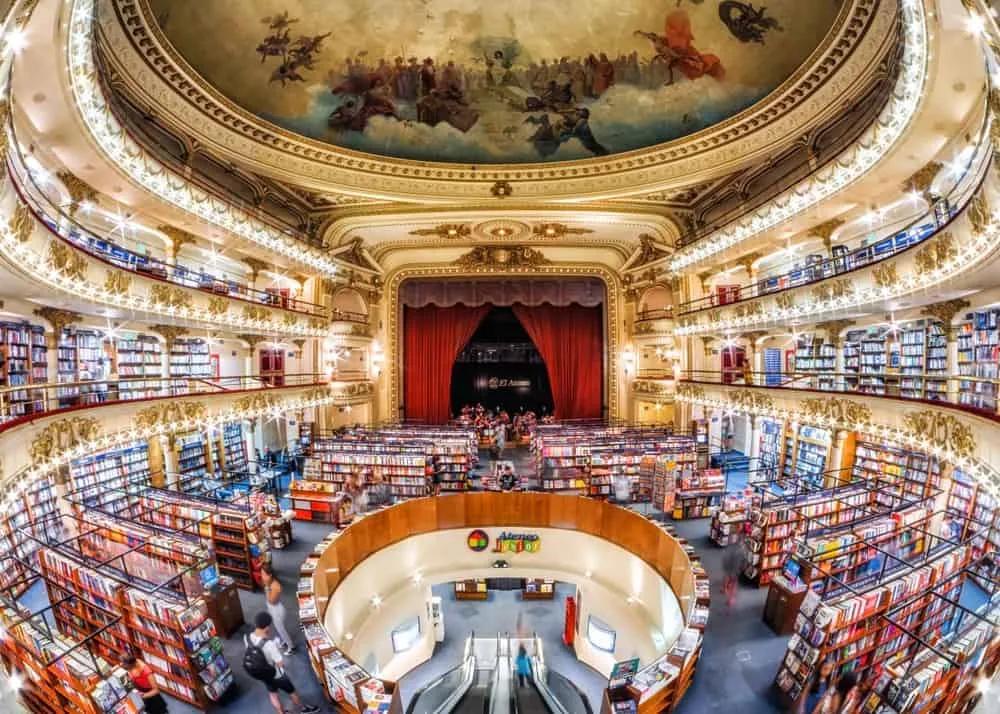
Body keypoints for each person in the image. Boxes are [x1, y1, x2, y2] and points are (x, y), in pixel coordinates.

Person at [245, 611, 320, 714]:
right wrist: (276, 647)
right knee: (292, 691)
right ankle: (304, 709)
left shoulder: (248, 637)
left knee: (273, 694)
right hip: (277, 675)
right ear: (266, 627)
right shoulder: (269, 644)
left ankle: (281, 713)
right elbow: (280, 663)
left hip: (263, 675)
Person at [261, 562, 296, 654]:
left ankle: (291, 647)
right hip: (273, 610)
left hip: (277, 611)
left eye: (264, 574)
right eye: (262, 574)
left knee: (281, 629)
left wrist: (267, 588)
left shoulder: (275, 586)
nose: (262, 577)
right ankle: (285, 642)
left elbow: (271, 601)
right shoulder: (269, 583)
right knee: (279, 629)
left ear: (270, 575)